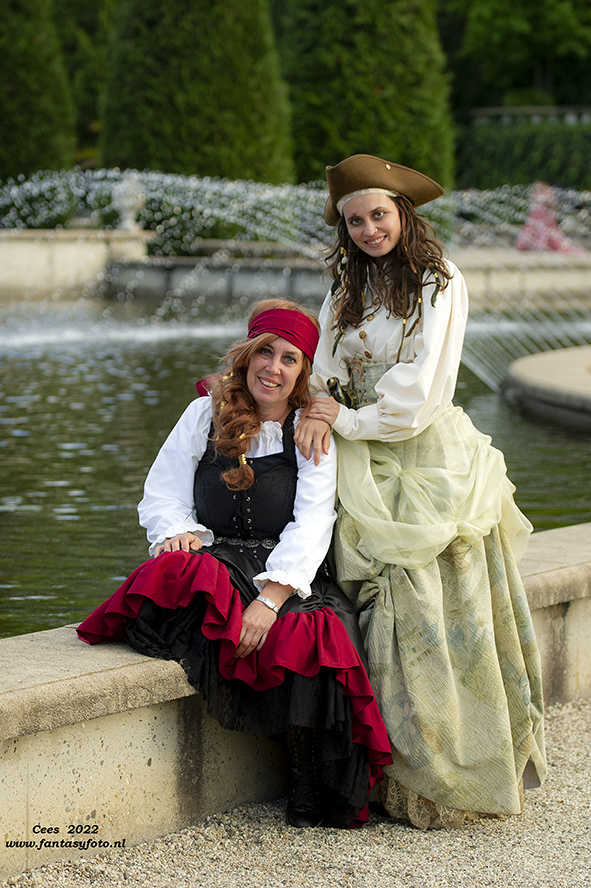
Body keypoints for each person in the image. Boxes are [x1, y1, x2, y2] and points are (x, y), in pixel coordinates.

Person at [294, 154, 547, 829]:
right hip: (357, 453)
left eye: (378, 215)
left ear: (403, 214)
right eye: (354, 221)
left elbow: (420, 390)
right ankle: (391, 773)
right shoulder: (347, 286)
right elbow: (323, 366)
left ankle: (452, 775)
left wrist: (344, 420)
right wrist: (317, 410)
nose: (368, 229)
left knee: (434, 614)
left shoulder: (438, 279)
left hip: (420, 456)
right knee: (380, 615)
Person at [77, 298, 391, 830]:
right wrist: (177, 532)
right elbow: (163, 489)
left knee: (311, 633)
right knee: (179, 570)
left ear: (302, 371)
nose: (274, 368)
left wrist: (271, 599)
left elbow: (313, 523)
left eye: (289, 359)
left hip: (287, 566)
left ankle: (306, 782)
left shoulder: (309, 428)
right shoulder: (205, 413)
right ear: (247, 356)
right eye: (265, 353)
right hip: (218, 556)